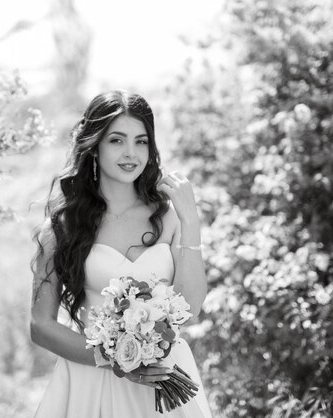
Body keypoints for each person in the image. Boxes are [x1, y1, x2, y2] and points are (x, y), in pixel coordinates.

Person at [30, 90, 212, 418]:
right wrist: (115, 358)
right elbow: (40, 325)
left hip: (164, 378)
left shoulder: (169, 217)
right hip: (89, 383)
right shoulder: (62, 227)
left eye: (141, 141)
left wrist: (191, 221)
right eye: (117, 140)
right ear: (94, 147)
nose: (131, 153)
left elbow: (191, 308)